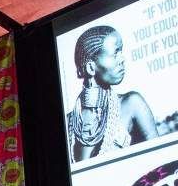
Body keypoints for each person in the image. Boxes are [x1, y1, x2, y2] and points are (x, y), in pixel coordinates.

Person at [66, 25, 168, 162]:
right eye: (115, 54)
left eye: (121, 52)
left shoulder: (132, 104)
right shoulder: (68, 123)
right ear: (91, 67)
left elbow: (159, 161)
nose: (122, 59)